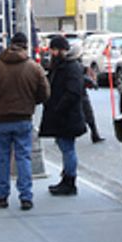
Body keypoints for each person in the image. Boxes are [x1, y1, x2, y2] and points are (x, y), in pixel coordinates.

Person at [0, 33, 49, 210]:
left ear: (10, 45)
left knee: (1, 158)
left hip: (1, 118)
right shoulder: (34, 67)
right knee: (23, 157)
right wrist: (31, 102)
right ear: (25, 46)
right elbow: (45, 92)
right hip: (23, 118)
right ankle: (26, 197)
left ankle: (1, 196)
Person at [39, 35, 87, 196]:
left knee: (67, 149)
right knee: (65, 147)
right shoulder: (63, 65)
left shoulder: (69, 67)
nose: (51, 53)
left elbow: (73, 92)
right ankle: (66, 178)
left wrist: (58, 108)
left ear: (60, 50)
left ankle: (69, 181)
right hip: (64, 116)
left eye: (53, 50)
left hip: (66, 116)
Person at [81, 55, 104, 144]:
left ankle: (95, 134)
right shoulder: (74, 66)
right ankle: (94, 134)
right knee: (88, 114)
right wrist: (93, 83)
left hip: (77, 93)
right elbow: (83, 78)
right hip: (78, 94)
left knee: (88, 114)